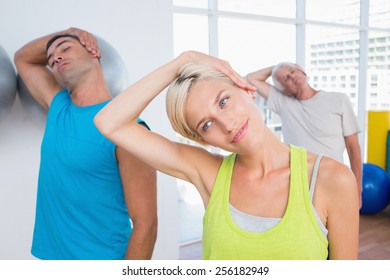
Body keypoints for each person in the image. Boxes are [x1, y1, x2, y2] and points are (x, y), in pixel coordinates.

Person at [94, 51, 359, 260]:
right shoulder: (208, 172)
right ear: (202, 140)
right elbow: (109, 122)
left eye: (223, 101)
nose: (227, 123)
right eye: (206, 125)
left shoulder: (331, 179)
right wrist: (183, 61)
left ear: (246, 89)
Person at [14, 28, 157, 260]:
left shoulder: (128, 128)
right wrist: (69, 32)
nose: (56, 58)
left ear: (93, 51)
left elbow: (146, 224)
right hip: (49, 259)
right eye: (50, 59)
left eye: (65, 48)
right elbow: (23, 58)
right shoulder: (58, 105)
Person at [246, 63, 362, 206]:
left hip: (334, 180)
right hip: (299, 184)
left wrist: (357, 188)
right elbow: (251, 79)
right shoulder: (284, 103)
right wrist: (276, 67)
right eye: (286, 79)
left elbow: (353, 148)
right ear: (284, 91)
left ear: (303, 72)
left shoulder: (339, 100)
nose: (292, 77)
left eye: (293, 71)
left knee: (340, 227)